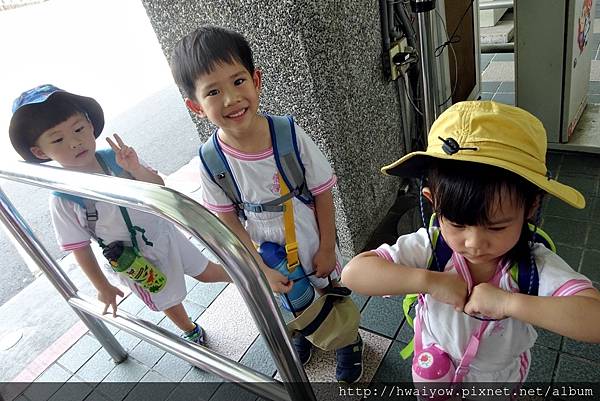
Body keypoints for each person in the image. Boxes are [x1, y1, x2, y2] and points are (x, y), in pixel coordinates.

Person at [342, 101, 600, 386]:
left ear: (530, 208)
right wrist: (429, 281)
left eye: (497, 226)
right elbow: (354, 274)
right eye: (457, 223)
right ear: (433, 202)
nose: (474, 242)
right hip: (433, 364)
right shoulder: (432, 248)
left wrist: (509, 302)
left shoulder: (533, 265)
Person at [169, 25, 363, 383]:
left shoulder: (288, 134)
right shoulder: (211, 159)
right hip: (268, 249)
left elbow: (321, 191)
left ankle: (347, 341)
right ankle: (306, 330)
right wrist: (258, 266)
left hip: (310, 238)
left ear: (256, 80)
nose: (230, 99)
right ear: (195, 106)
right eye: (213, 91)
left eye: (238, 81)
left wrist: (325, 246)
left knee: (328, 291)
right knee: (290, 297)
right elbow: (228, 220)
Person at [9, 84, 231, 345]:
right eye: (57, 140)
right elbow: (80, 249)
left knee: (204, 271)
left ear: (90, 125)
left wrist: (135, 168)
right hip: (136, 260)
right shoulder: (64, 198)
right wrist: (102, 286)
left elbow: (158, 186)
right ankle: (190, 330)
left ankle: (256, 280)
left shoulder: (116, 158)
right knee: (166, 298)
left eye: (78, 129)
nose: (74, 142)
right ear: (39, 152)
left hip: (164, 234)